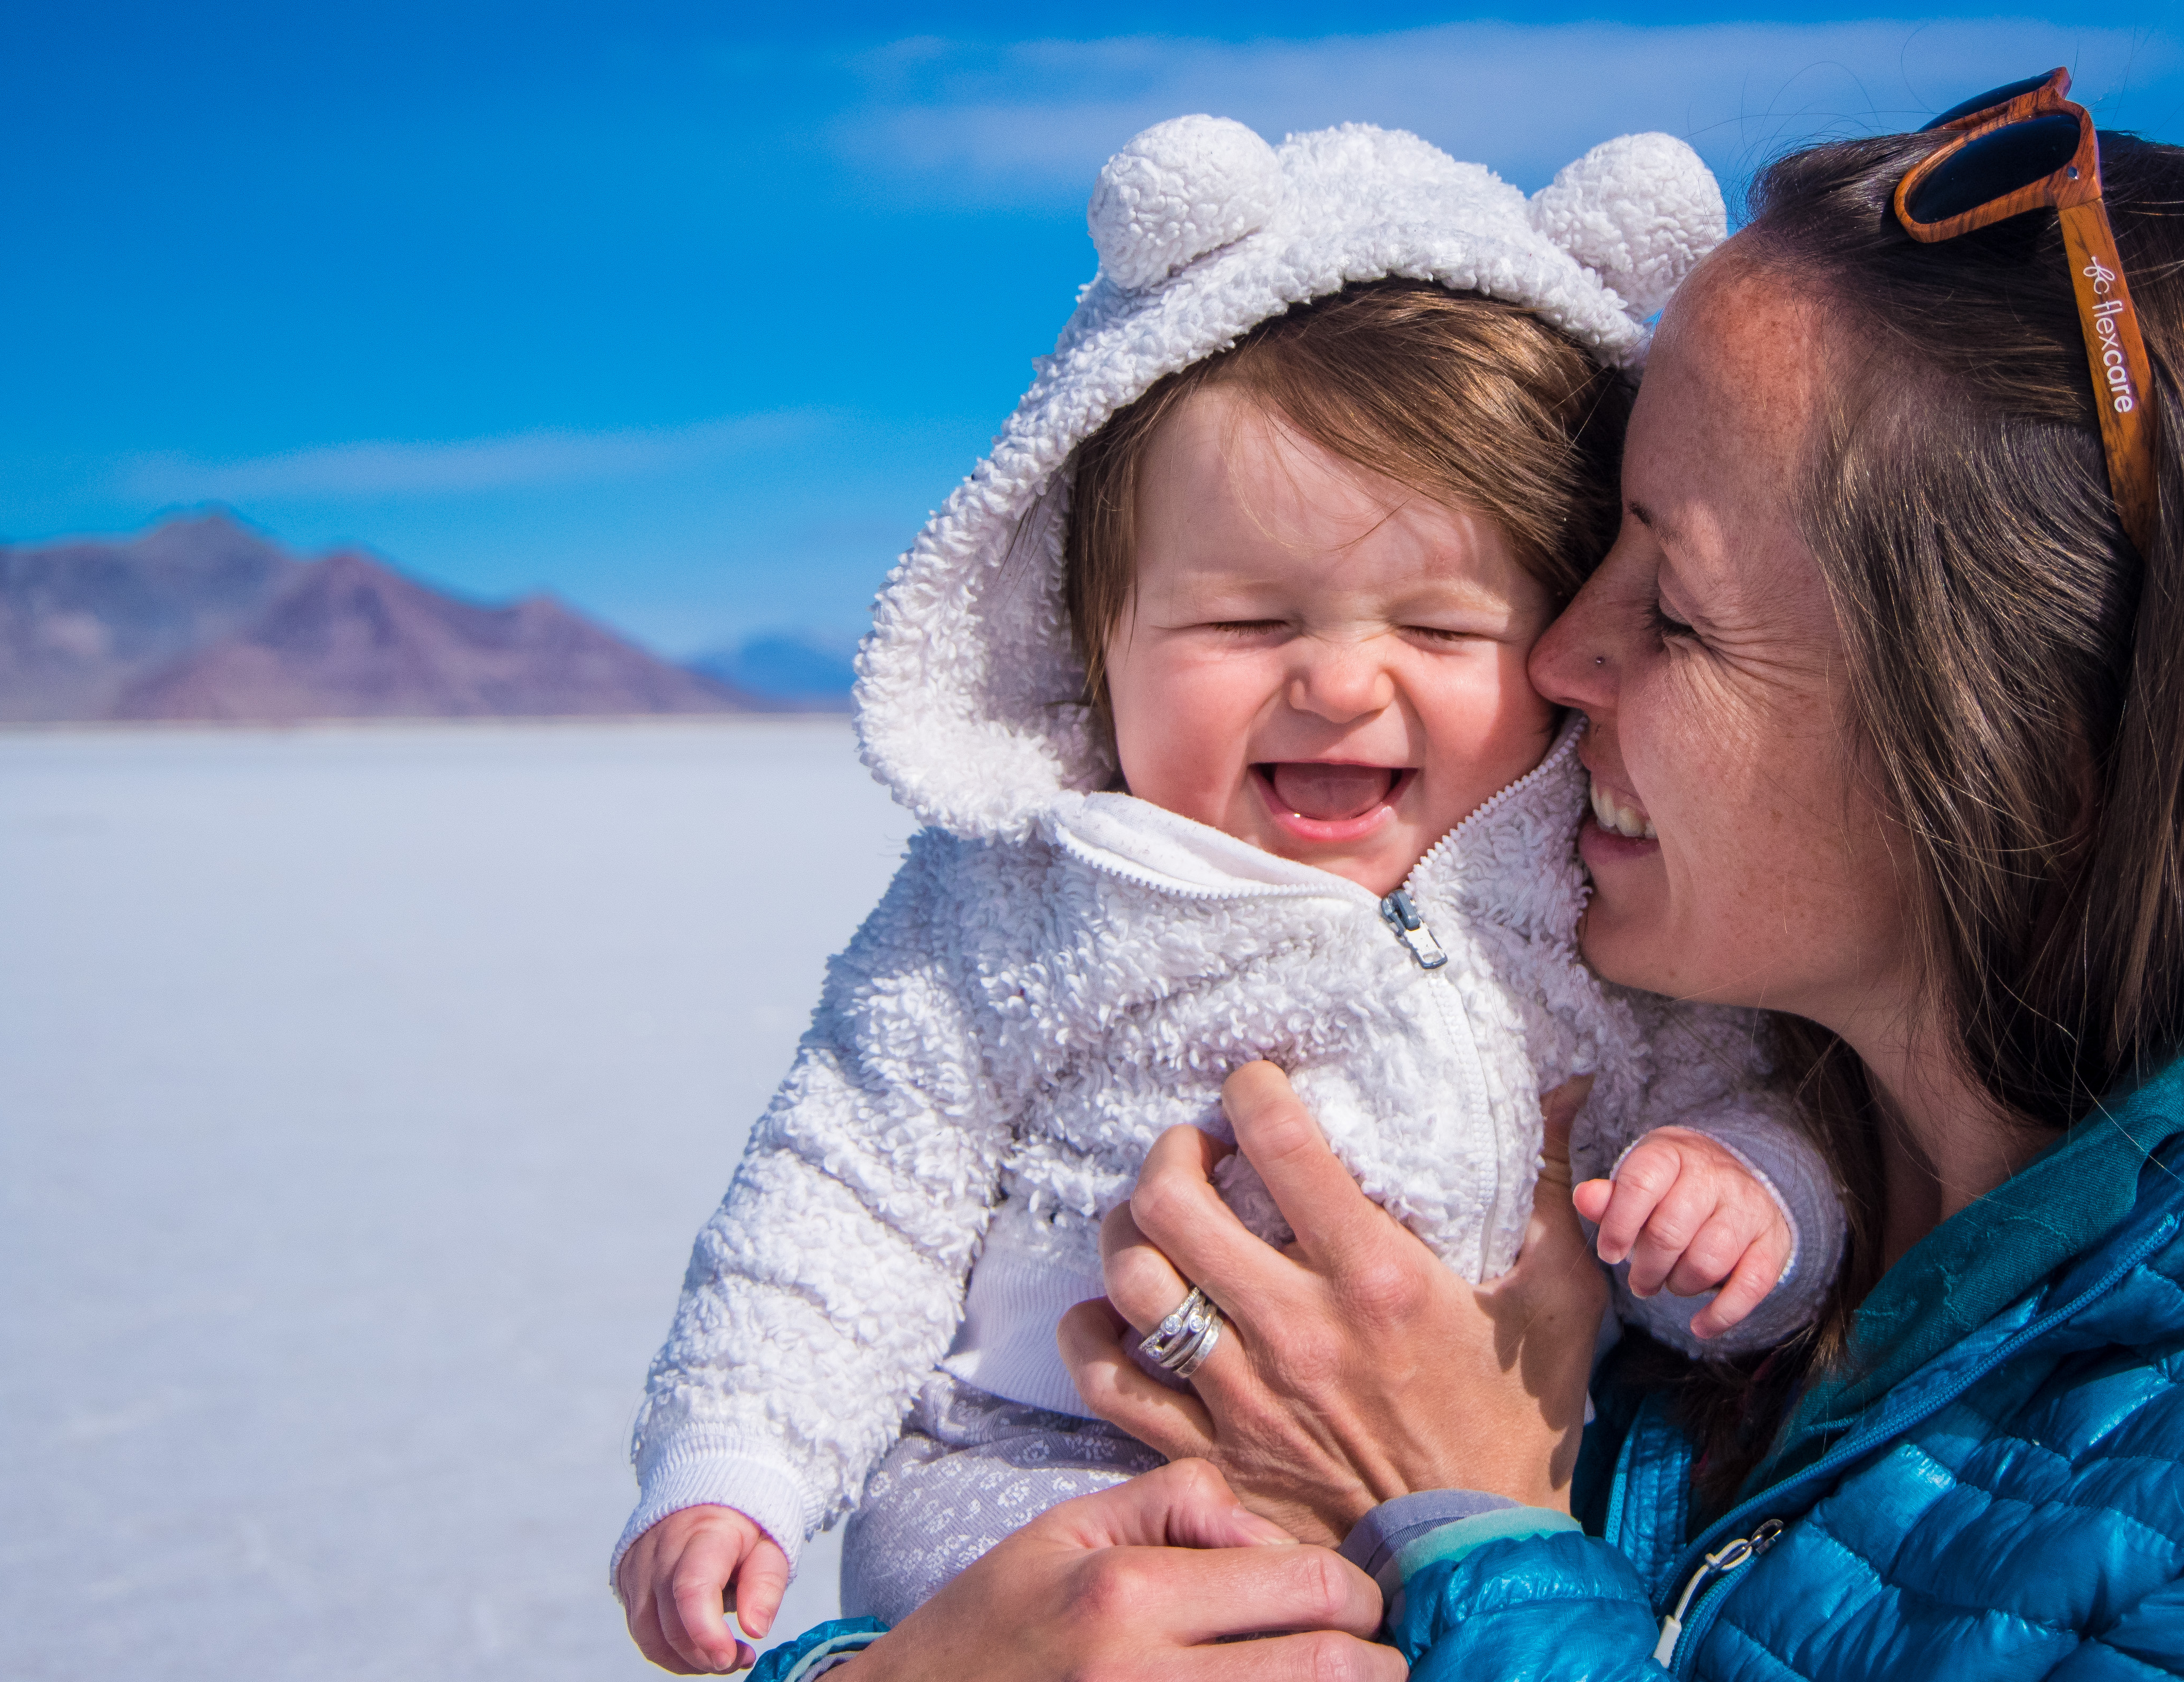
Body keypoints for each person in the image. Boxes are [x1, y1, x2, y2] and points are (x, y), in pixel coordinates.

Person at [780, 73, 2184, 1679]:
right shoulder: (1652, 1164)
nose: (1557, 667)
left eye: (1677, 607)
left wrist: (1475, 1533)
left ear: (2045, 752)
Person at [612, 114, 1851, 1673]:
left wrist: (1750, 1202)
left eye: (1443, 631)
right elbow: (850, 1180)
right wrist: (737, 1461)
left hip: (1477, 1536)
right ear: (1096, 641)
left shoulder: (1581, 884)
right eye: (1248, 618)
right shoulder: (1020, 897)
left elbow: (1729, 1095)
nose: (1340, 682)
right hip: (1040, 1510)